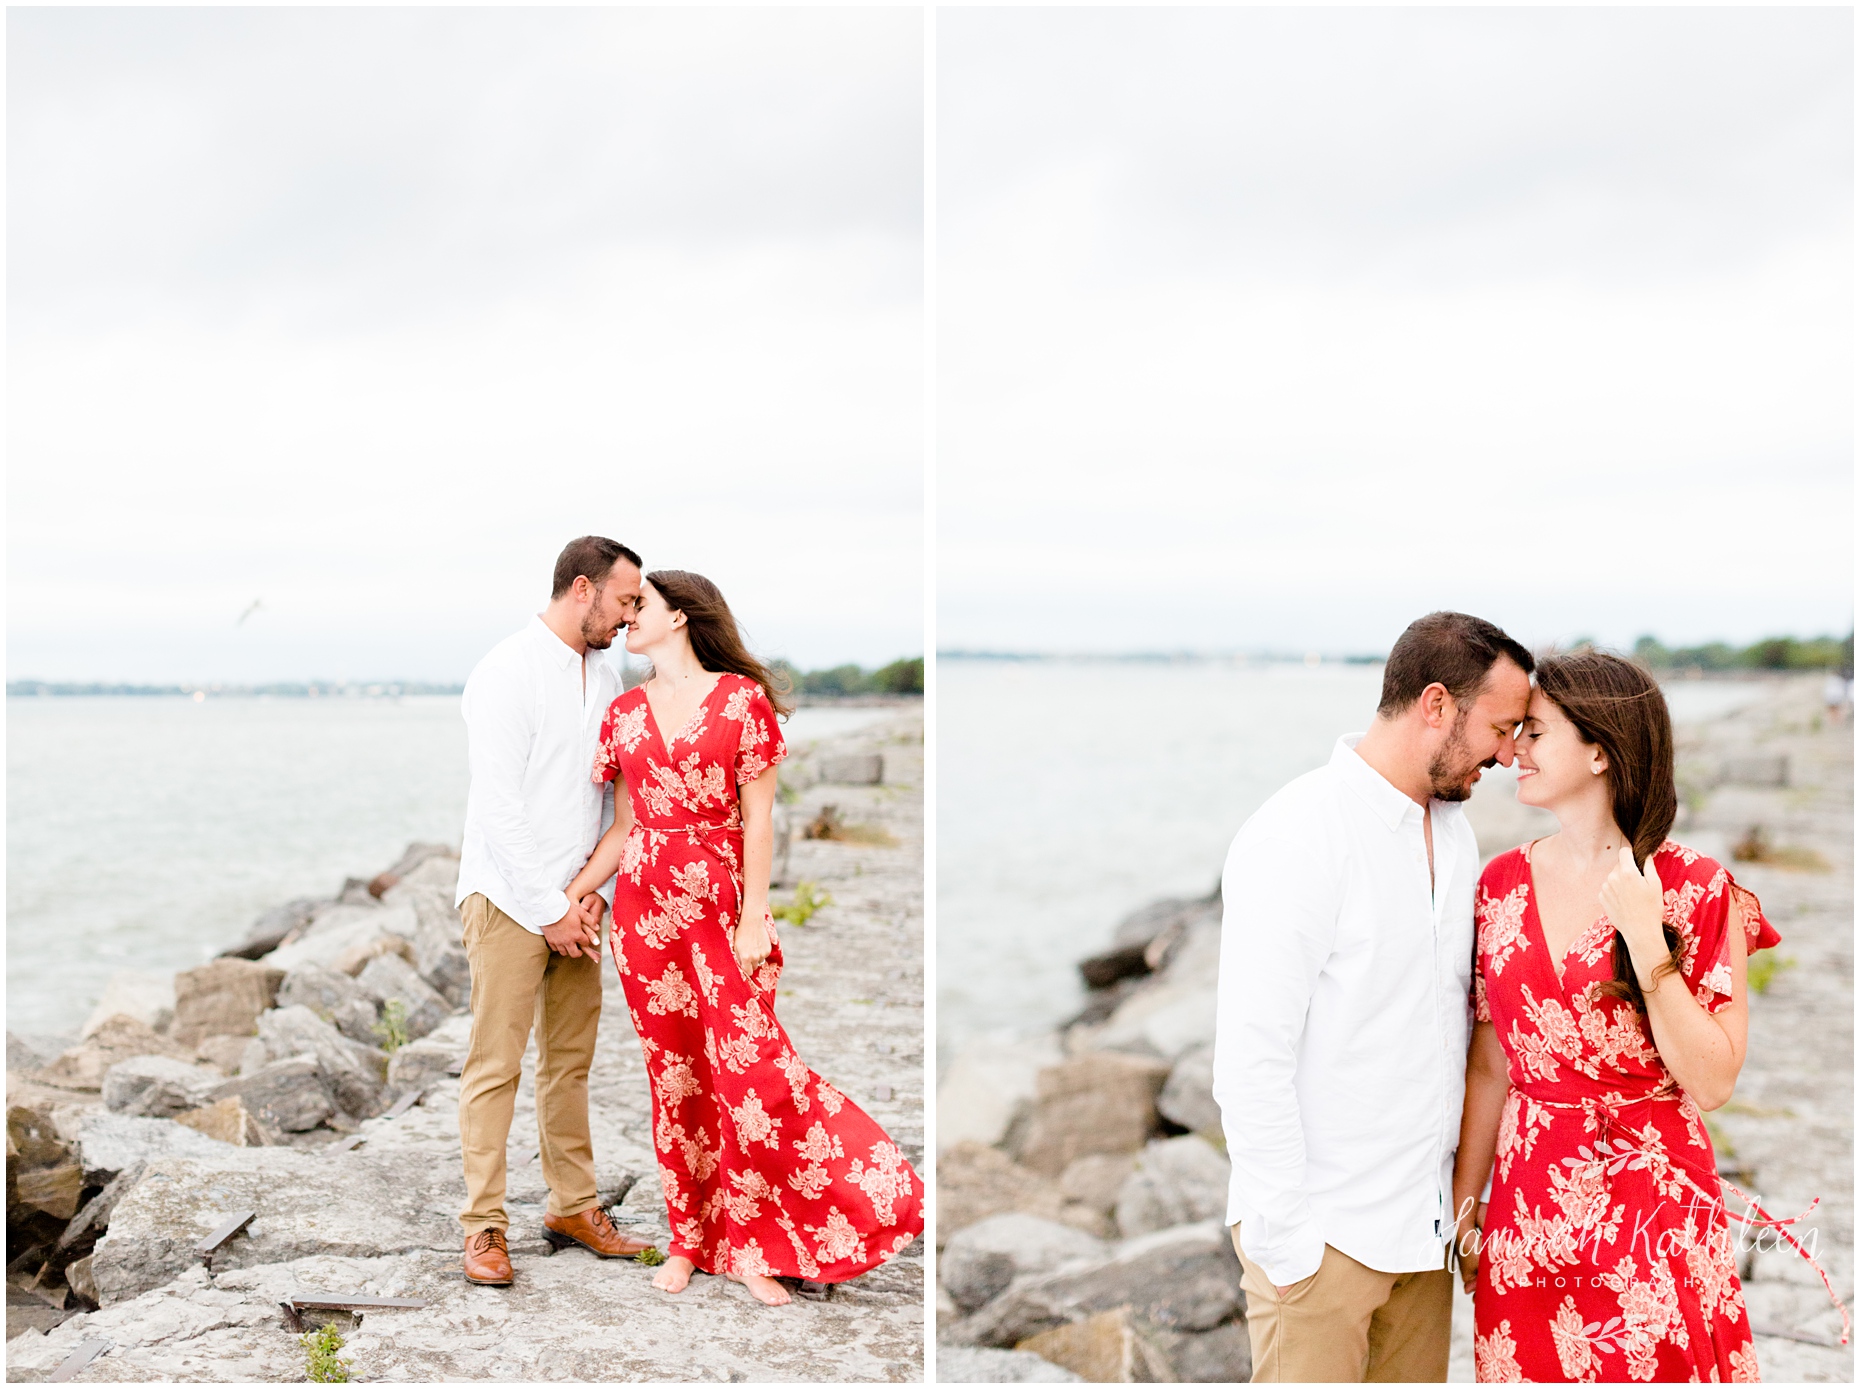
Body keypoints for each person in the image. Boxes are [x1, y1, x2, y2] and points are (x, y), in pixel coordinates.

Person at [567, 569, 924, 1307]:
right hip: (645, 916)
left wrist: (755, 913)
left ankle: (758, 1241)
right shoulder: (625, 713)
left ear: (683, 617)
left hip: (722, 913)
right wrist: (571, 893)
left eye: (644, 606)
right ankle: (691, 1239)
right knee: (675, 1081)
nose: (630, 616)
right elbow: (625, 827)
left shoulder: (741, 702)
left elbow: (759, 818)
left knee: (749, 1078)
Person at [1212, 611, 1535, 1382]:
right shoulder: (1300, 832)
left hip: (1422, 1236)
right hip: (1324, 1241)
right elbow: (1251, 1054)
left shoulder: (1455, 836)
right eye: (1503, 725)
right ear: (1435, 704)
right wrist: (1289, 1241)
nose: (1511, 750)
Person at [1451, 649, 1783, 1382]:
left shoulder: (1697, 888)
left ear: (1600, 749)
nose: (1514, 751)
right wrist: (1466, 1211)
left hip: (1652, 1203)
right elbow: (1489, 1065)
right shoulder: (1497, 886)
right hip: (1527, 1204)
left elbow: (1715, 1078)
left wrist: (1644, 939)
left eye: (1535, 732)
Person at [454, 536, 659, 1286]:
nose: (631, 615)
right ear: (583, 589)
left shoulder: (605, 672)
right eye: (625, 599)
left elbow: (608, 797)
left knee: (568, 1063)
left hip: (580, 901)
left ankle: (573, 1206)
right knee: (495, 1065)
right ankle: (483, 1227)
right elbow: (499, 806)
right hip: (510, 899)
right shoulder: (505, 670)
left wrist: (589, 897)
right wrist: (548, 907)